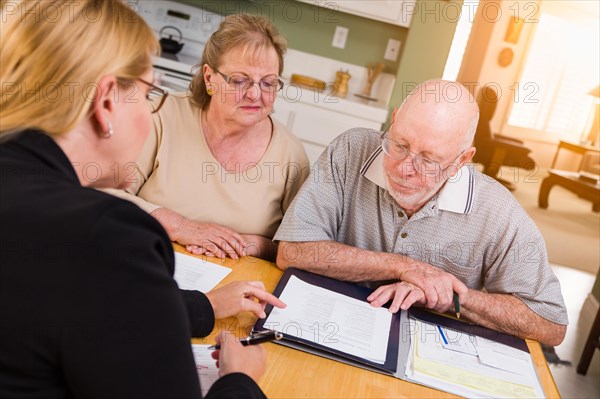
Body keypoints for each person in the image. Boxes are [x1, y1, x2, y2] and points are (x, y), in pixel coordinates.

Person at [0, 1, 283, 398]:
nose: (152, 115)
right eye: (148, 93)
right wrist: (241, 382)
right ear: (106, 103)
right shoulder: (109, 236)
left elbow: (90, 306)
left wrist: (201, 307)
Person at [274, 79, 568, 346]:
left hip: (427, 348)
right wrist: (401, 266)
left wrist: (452, 297)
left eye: (428, 160)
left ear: (461, 161)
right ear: (394, 120)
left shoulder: (498, 211)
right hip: (329, 323)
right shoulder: (351, 150)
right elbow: (292, 251)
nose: (404, 168)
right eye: (399, 144)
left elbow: (551, 323)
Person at [107, 13, 309, 261]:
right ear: (209, 78)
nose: (255, 94)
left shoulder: (291, 153)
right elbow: (106, 194)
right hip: (144, 261)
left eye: (268, 83)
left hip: (239, 281)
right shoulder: (162, 115)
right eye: (239, 80)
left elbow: (301, 249)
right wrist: (181, 227)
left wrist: (256, 245)